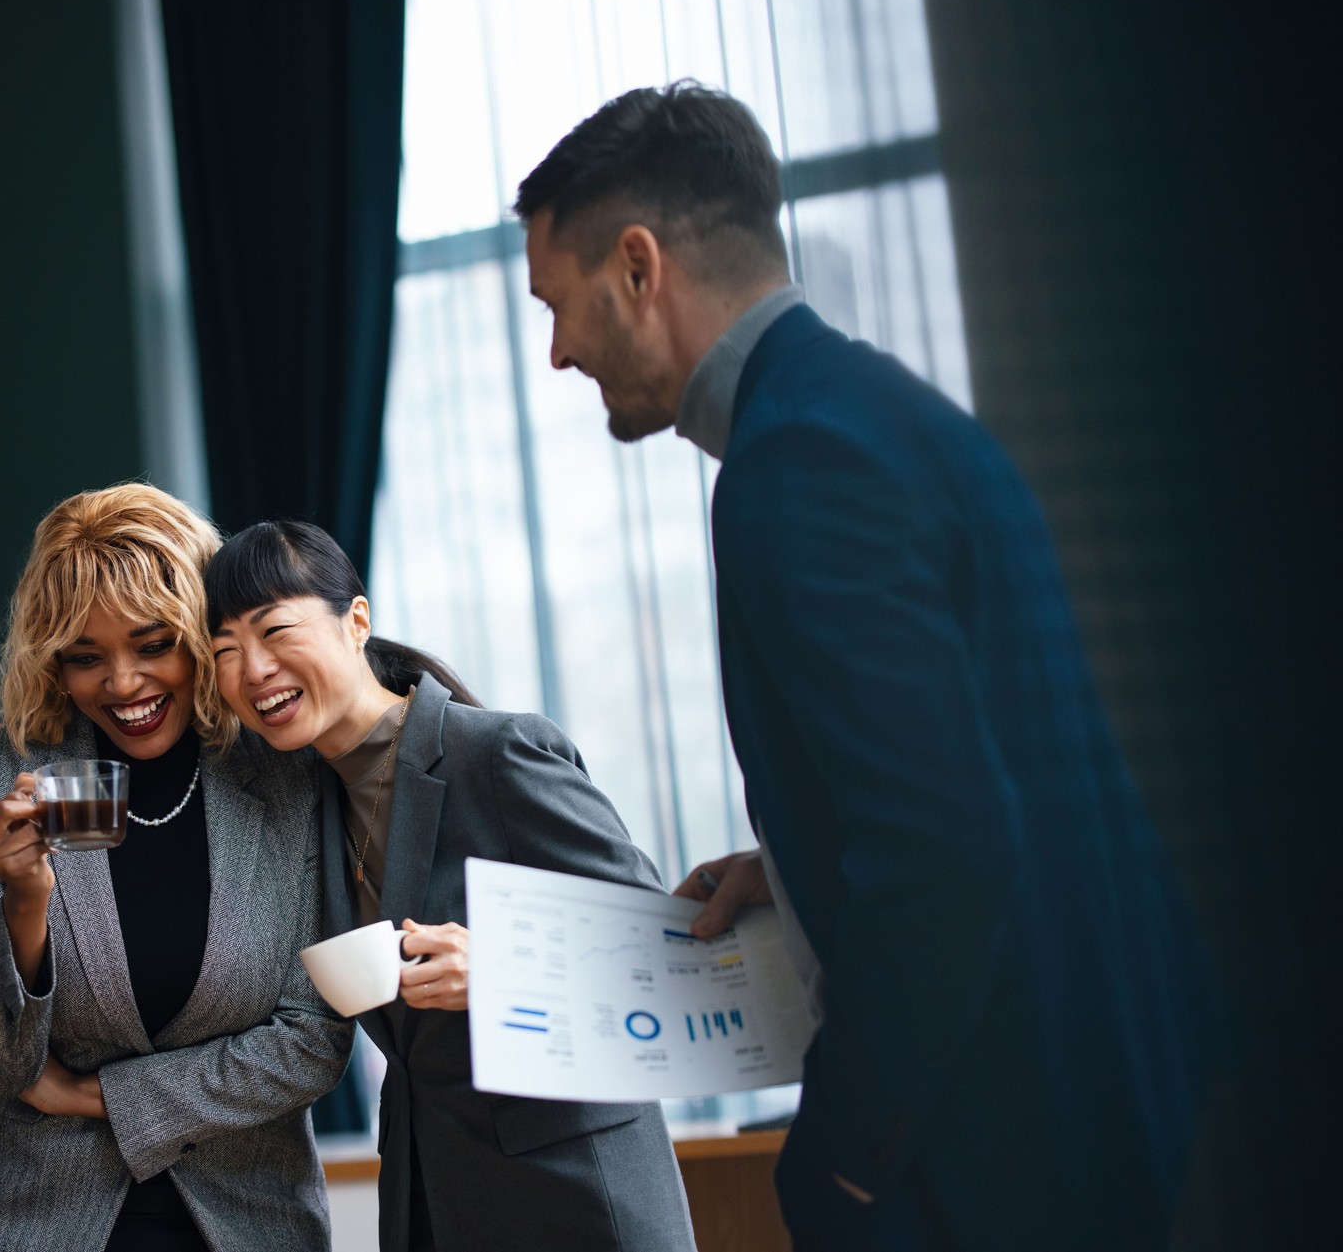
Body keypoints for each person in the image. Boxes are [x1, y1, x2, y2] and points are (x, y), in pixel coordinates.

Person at [516, 80, 1209, 1250]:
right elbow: (978, 764)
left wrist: (841, 1152)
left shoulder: (799, 465)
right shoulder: (877, 411)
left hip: (993, 1140)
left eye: (559, 304)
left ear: (639, 266)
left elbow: (945, 840)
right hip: (1095, 1089)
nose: (556, 352)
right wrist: (794, 863)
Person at [206, 519, 695, 1252]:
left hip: (578, 1199)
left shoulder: (497, 754)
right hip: (436, 1200)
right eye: (225, 651)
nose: (253, 669)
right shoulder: (304, 802)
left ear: (357, 620)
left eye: (275, 630)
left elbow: (664, 953)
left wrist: (504, 969)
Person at [0, 484, 351, 1252]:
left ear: (204, 633)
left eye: (153, 643)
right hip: (27, 1227)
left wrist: (96, 1096)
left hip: (252, 1226)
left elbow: (312, 1041)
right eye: (85, 657)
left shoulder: (286, 774)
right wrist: (23, 904)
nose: (122, 684)